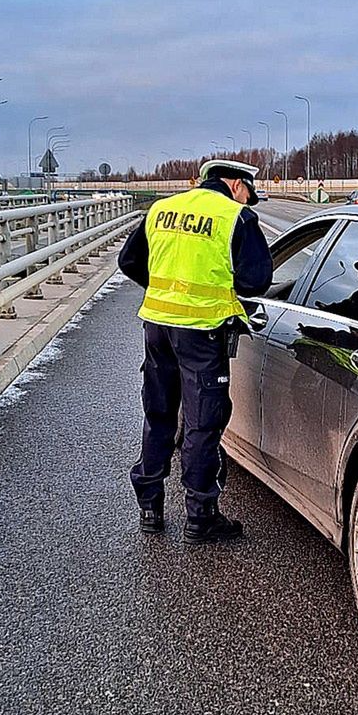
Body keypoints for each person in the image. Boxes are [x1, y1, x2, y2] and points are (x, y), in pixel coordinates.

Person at [118, 159, 272, 543]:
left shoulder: (162, 209)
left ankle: (150, 508)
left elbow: (129, 261)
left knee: (158, 413)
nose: (248, 200)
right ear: (237, 184)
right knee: (203, 422)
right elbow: (257, 281)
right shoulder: (234, 217)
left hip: (157, 327)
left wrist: (167, 292)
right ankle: (200, 516)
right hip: (202, 334)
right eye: (248, 193)